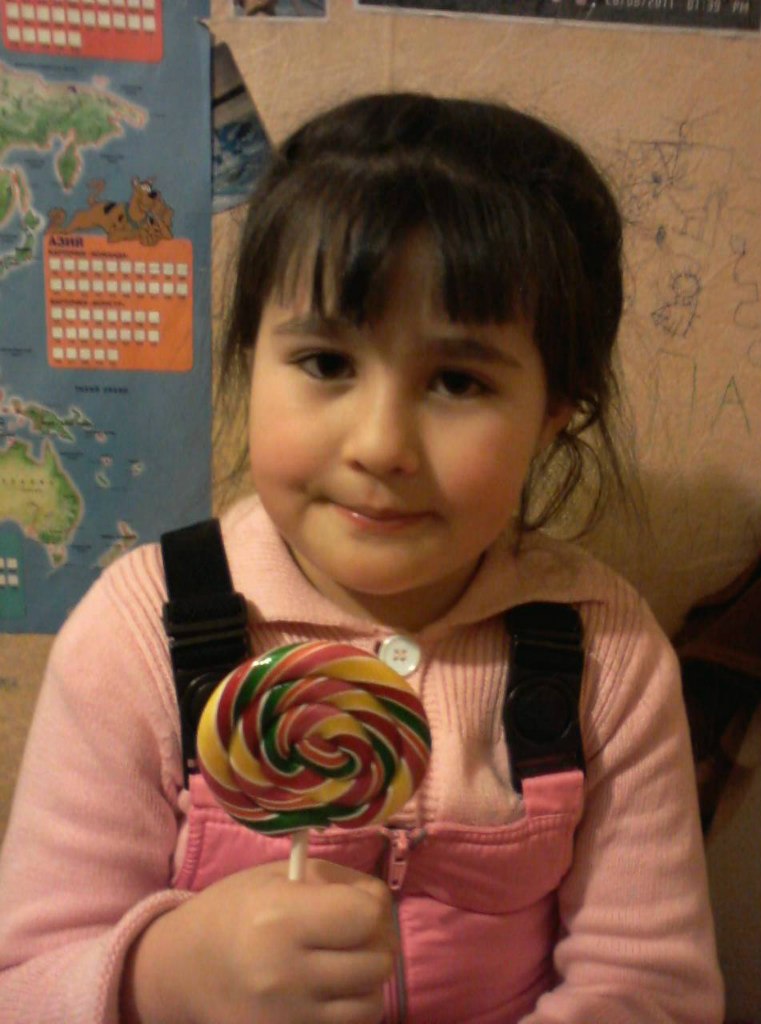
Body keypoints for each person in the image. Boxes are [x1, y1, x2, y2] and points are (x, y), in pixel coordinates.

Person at [0, 92, 724, 1024]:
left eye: (457, 381)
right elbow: (21, 984)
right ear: (249, 355)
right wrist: (158, 976)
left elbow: (652, 990)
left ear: (556, 409)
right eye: (327, 364)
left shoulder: (606, 656)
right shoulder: (140, 632)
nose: (381, 445)